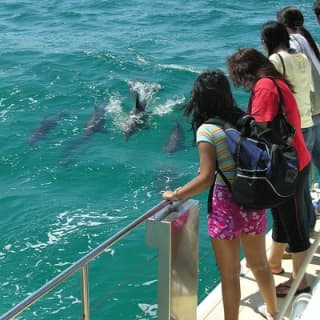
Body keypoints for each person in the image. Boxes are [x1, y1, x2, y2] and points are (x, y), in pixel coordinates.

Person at [162, 69, 278, 320]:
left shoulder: (207, 131)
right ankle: (274, 311)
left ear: (200, 99)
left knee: (230, 274)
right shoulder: (243, 119)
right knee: (259, 264)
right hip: (253, 199)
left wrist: (177, 194)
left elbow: (206, 178)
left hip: (226, 205)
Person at [227, 48, 312, 299]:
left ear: (245, 73)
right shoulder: (275, 81)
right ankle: (274, 263)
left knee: (295, 225)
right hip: (292, 161)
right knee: (282, 214)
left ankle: (301, 281)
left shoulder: (264, 87)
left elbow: (260, 129)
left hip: (288, 167)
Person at [260, 21, 316, 234]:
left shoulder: (275, 60)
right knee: (302, 186)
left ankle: (299, 232)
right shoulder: (301, 57)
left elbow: (270, 91)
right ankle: (309, 225)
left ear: (267, 42)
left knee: (291, 190)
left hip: (291, 129)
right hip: (308, 122)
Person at [277, 6, 320, 184]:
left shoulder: (291, 44)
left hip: (306, 115)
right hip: (318, 110)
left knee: (300, 171)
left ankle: (305, 209)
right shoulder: (311, 42)